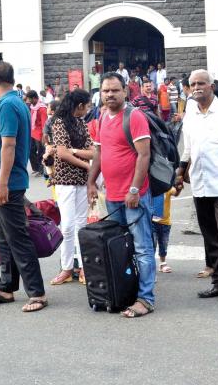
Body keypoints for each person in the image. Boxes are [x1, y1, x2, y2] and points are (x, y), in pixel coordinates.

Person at [0, 61, 46, 312]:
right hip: (0, 182)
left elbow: (9, 145)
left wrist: (3, 183)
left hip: (6, 183)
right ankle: (6, 286)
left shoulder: (7, 105)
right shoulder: (14, 102)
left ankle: (36, 293)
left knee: (17, 238)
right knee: (4, 238)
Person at [88, 72, 156, 318]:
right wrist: (91, 183)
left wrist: (135, 189)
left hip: (133, 196)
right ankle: (125, 290)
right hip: (113, 196)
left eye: (114, 90)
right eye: (105, 91)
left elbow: (144, 155)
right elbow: (99, 154)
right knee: (119, 248)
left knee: (142, 247)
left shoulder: (134, 117)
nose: (109, 95)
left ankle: (146, 298)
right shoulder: (102, 116)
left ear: (125, 91)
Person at [174, 69, 218, 307]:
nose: (197, 87)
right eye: (193, 84)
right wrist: (180, 172)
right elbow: (188, 149)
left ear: (212, 85)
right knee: (210, 236)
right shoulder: (190, 113)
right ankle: (217, 282)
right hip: (200, 184)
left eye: (201, 83)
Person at [49, 89, 94, 286]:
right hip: (65, 180)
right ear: (79, 105)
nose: (89, 108)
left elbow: (92, 151)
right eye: (87, 104)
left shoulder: (81, 123)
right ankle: (67, 268)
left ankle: (84, 267)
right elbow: (61, 154)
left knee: (81, 225)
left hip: (81, 180)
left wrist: (75, 151)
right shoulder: (59, 123)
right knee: (67, 226)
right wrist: (87, 166)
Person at [151, 187, 175, 274]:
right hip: (151, 221)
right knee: (151, 244)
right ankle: (150, 265)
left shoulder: (167, 188)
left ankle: (162, 263)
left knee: (164, 244)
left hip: (165, 222)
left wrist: (179, 185)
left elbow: (175, 192)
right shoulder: (150, 188)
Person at [26, 91, 48, 177]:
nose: (28, 101)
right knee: (31, 150)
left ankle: (41, 170)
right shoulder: (32, 107)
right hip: (32, 132)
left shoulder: (42, 108)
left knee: (40, 152)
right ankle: (36, 168)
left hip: (39, 134)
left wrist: (44, 135)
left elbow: (44, 123)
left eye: (29, 99)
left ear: (34, 98)